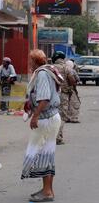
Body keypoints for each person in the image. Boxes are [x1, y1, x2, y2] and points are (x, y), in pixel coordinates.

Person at [22, 49, 62, 202]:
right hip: (50, 118)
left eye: (30, 60)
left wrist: (35, 116)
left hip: (46, 119)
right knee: (47, 154)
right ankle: (47, 189)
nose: (29, 63)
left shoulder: (42, 74)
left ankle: (47, 192)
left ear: (35, 61)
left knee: (42, 154)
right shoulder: (46, 71)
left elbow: (44, 98)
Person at [52, 51, 76, 145]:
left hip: (51, 95)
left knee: (51, 115)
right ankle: (58, 137)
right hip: (63, 95)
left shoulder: (50, 68)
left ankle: (49, 136)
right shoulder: (67, 68)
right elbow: (72, 80)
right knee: (62, 116)